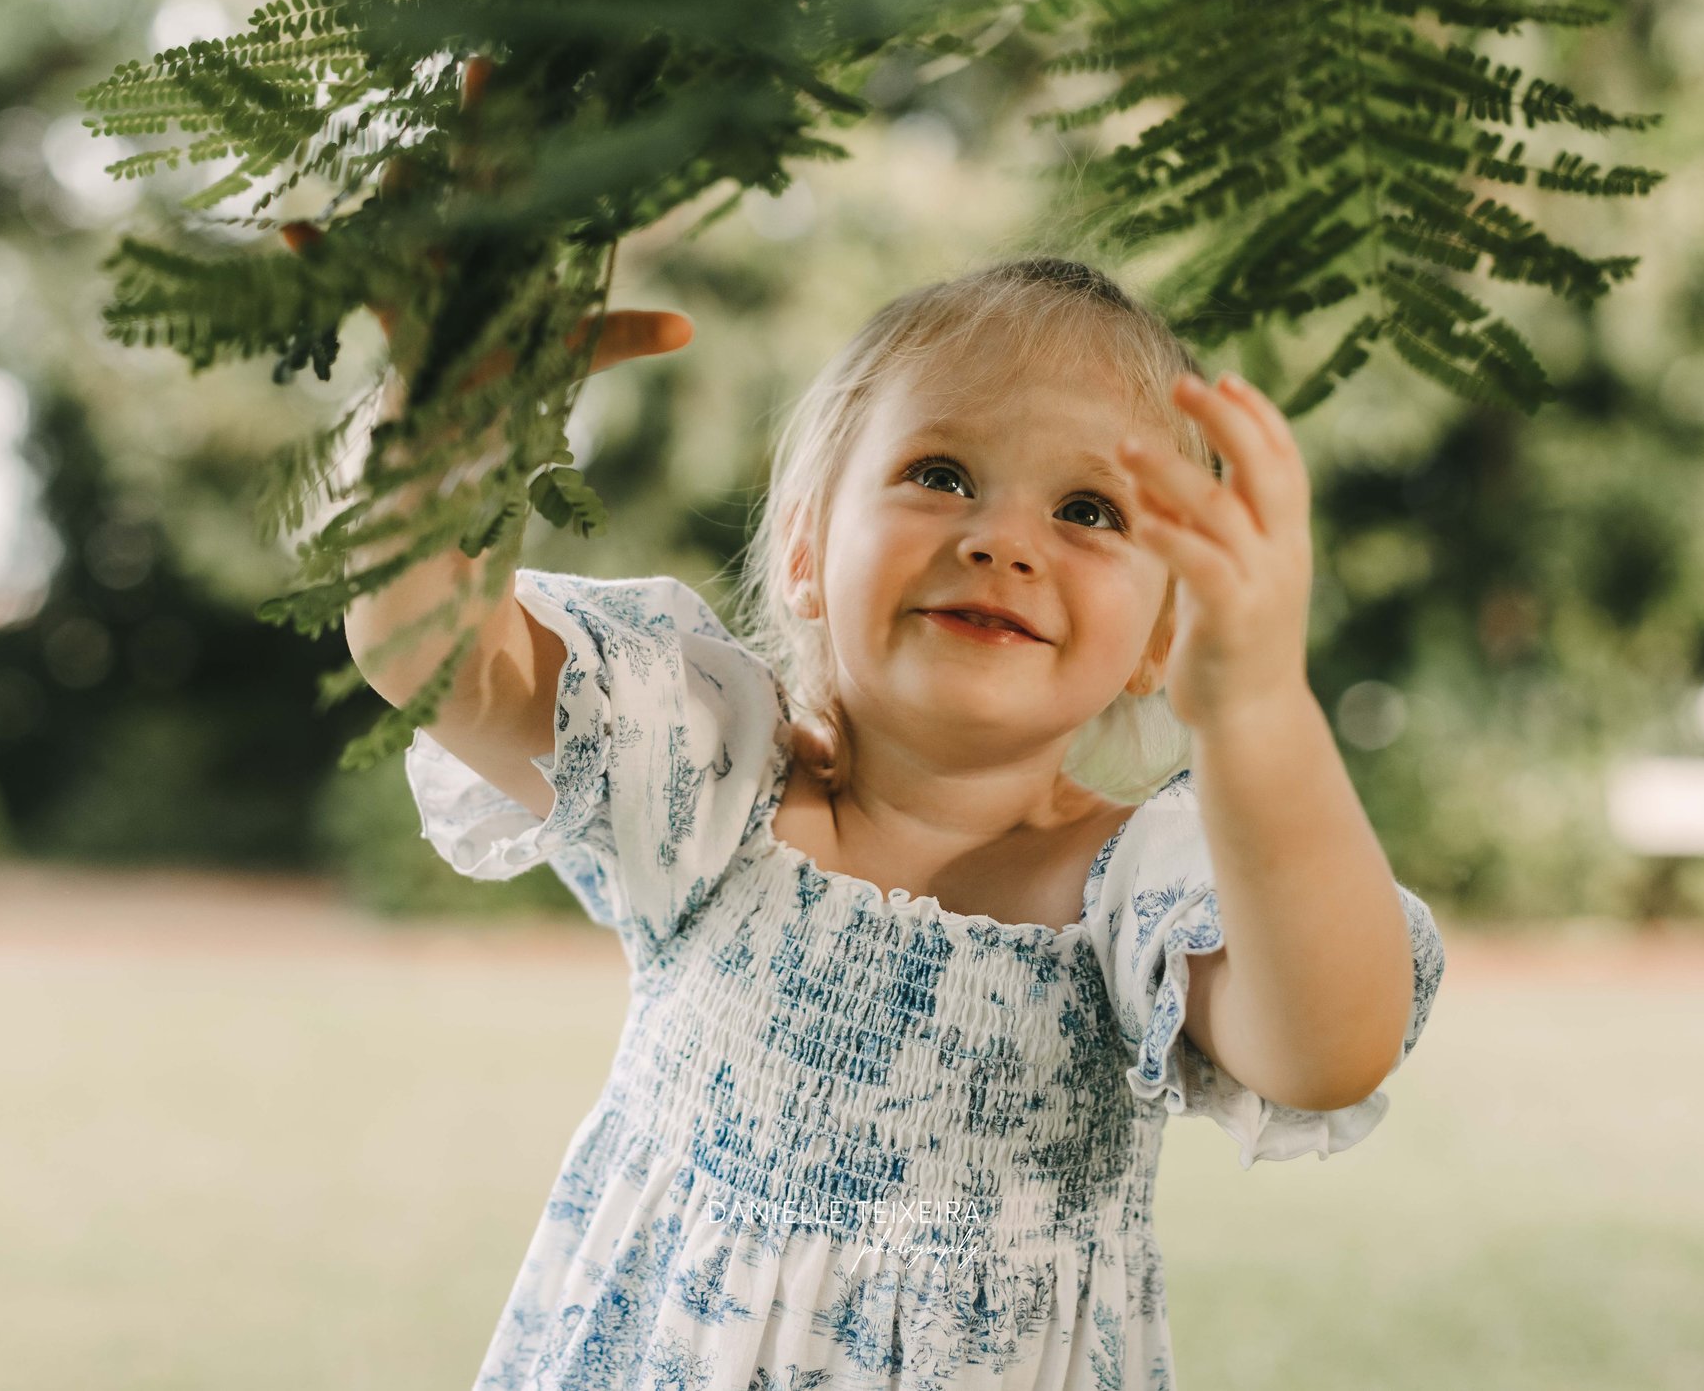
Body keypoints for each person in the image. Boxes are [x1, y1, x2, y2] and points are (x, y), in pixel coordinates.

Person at [346, 256, 1445, 1389]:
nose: (1003, 540)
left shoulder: (1134, 887)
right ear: (807, 552)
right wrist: (438, 425)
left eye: (1088, 510)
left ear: (1165, 634)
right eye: (940, 472)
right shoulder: (712, 785)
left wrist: (1263, 714)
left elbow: (1328, 1047)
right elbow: (433, 654)